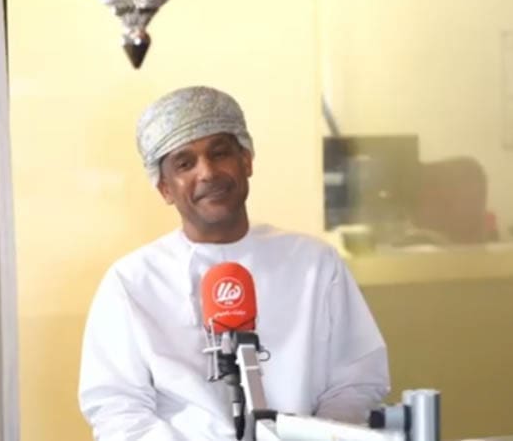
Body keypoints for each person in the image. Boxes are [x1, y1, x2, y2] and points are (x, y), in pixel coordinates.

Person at [78, 86, 389, 440]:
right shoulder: (132, 281)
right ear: (164, 188)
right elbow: (117, 409)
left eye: (219, 153)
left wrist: (314, 436)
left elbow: (356, 381)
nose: (207, 172)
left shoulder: (314, 264)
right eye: (185, 163)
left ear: (246, 161)